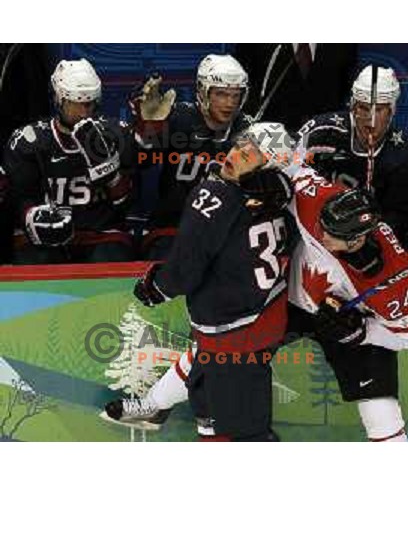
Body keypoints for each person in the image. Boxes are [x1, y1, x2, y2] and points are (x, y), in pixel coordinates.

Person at [103, 123, 297, 441]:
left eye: (251, 154)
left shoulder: (214, 194)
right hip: (266, 316)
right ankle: (154, 406)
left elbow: (185, 267)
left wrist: (158, 287)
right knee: (204, 372)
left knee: (241, 432)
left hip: (233, 330)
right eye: (240, 145)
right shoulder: (283, 198)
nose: (236, 154)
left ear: (268, 169)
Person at [286, 168, 408, 442]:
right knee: (229, 346)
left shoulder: (393, 286)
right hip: (289, 300)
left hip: (352, 320)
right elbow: (288, 159)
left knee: (380, 410)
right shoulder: (318, 202)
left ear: (356, 239)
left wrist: (363, 332)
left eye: (330, 233)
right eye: (322, 225)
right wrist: (272, 181)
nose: (320, 233)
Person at [2, 58, 136, 264]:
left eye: (88, 103)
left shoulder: (116, 134)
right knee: (36, 263)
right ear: (58, 99)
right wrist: (31, 216)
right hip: (46, 234)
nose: (83, 112)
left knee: (109, 259)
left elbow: (127, 203)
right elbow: (20, 195)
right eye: (75, 103)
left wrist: (112, 176)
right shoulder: (29, 140)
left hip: (101, 233)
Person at [131, 54, 253, 259]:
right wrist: (148, 129)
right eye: (221, 94)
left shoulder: (249, 131)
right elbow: (142, 162)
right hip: (173, 228)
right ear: (203, 92)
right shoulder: (176, 118)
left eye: (236, 95)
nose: (230, 103)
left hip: (226, 233)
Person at [298, 64, 408, 250]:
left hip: (368, 245)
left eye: (380, 110)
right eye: (364, 109)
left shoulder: (407, 156)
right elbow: (288, 157)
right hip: (314, 236)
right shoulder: (322, 130)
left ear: (392, 111)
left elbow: (403, 218)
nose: (371, 120)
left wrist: (365, 236)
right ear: (352, 107)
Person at [235, 44, 358, 131]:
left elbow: (344, 87)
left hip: (321, 139)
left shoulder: (344, 45)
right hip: (268, 136)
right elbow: (244, 83)